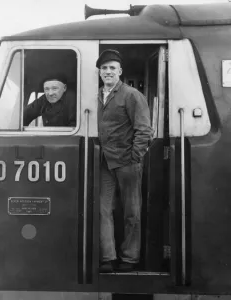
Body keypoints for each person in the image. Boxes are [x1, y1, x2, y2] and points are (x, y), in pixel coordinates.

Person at [97, 49, 153, 273]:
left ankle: (129, 259)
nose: (108, 72)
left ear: (120, 71)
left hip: (127, 162)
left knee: (132, 211)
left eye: (112, 68)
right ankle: (108, 258)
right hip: (105, 162)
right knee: (103, 210)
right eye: (104, 68)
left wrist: (134, 158)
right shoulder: (97, 95)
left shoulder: (131, 95)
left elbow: (144, 130)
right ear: (99, 72)